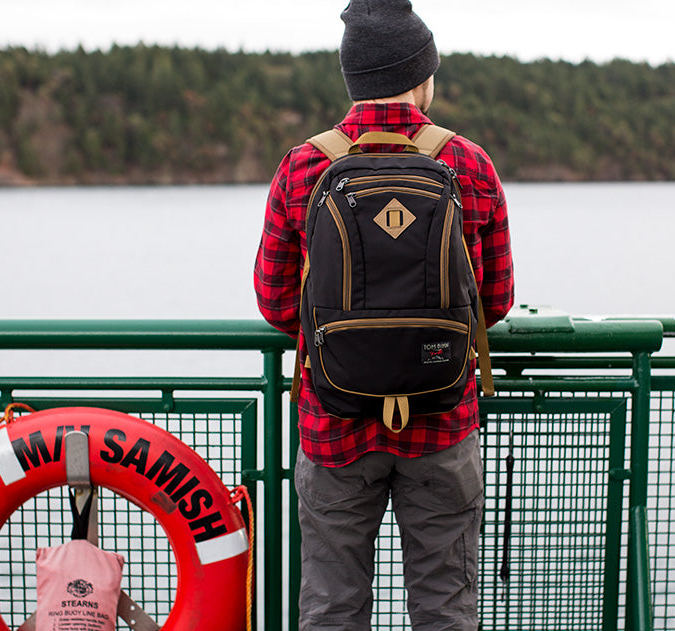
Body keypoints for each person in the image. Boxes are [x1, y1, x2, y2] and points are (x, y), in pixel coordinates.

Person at [254, 1, 514, 629]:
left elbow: (275, 300)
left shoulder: (305, 165)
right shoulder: (468, 163)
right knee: (444, 602)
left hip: (334, 424)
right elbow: (496, 298)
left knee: (332, 604)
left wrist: (352, 343)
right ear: (422, 74)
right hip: (442, 419)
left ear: (353, 80)